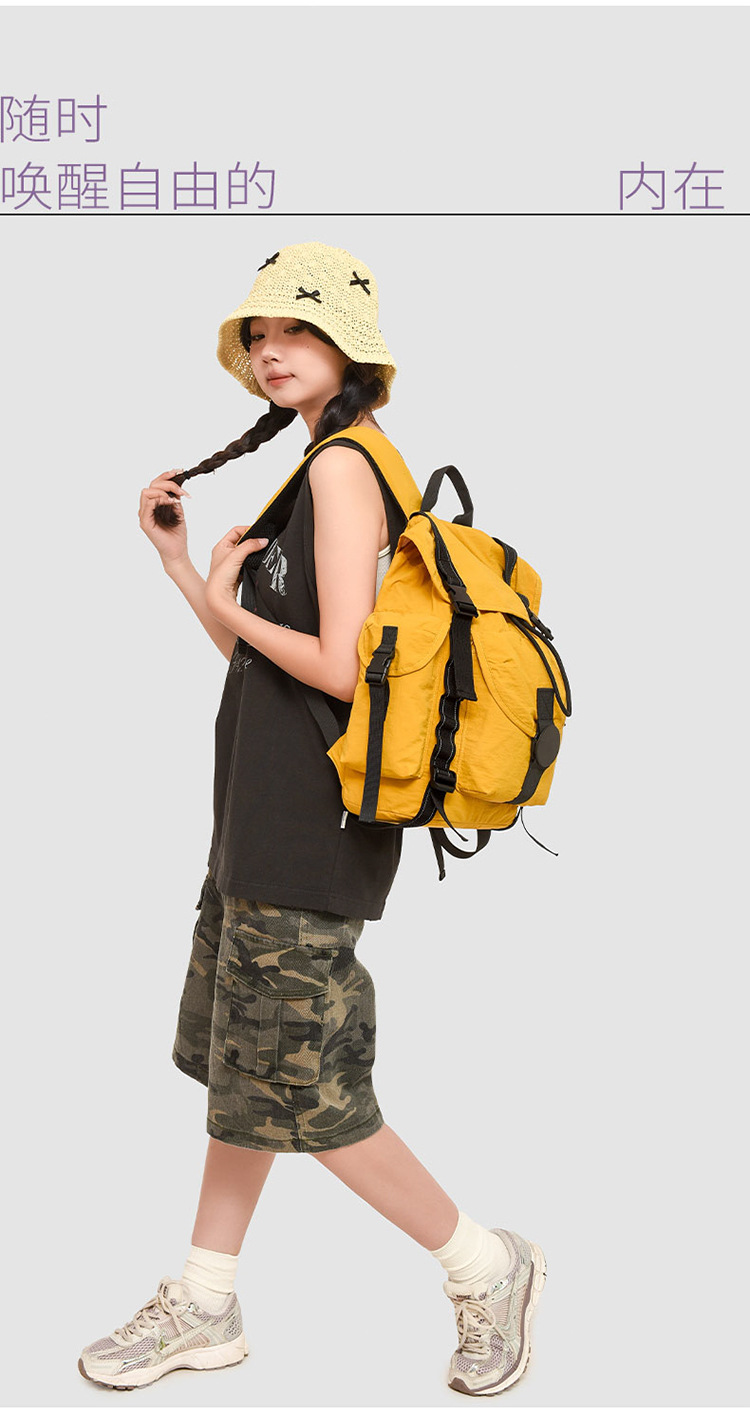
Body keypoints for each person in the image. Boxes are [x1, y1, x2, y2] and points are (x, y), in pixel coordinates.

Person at [78, 242, 546, 1397]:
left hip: (310, 832)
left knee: (310, 1094)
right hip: (262, 818)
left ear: (349, 346)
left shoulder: (344, 469)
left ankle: (487, 1268)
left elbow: (340, 669)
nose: (270, 349)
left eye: (295, 328)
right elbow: (269, 669)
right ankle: (205, 1300)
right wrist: (185, 570)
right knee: (247, 1071)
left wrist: (226, 598)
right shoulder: (320, 467)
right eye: (258, 334)